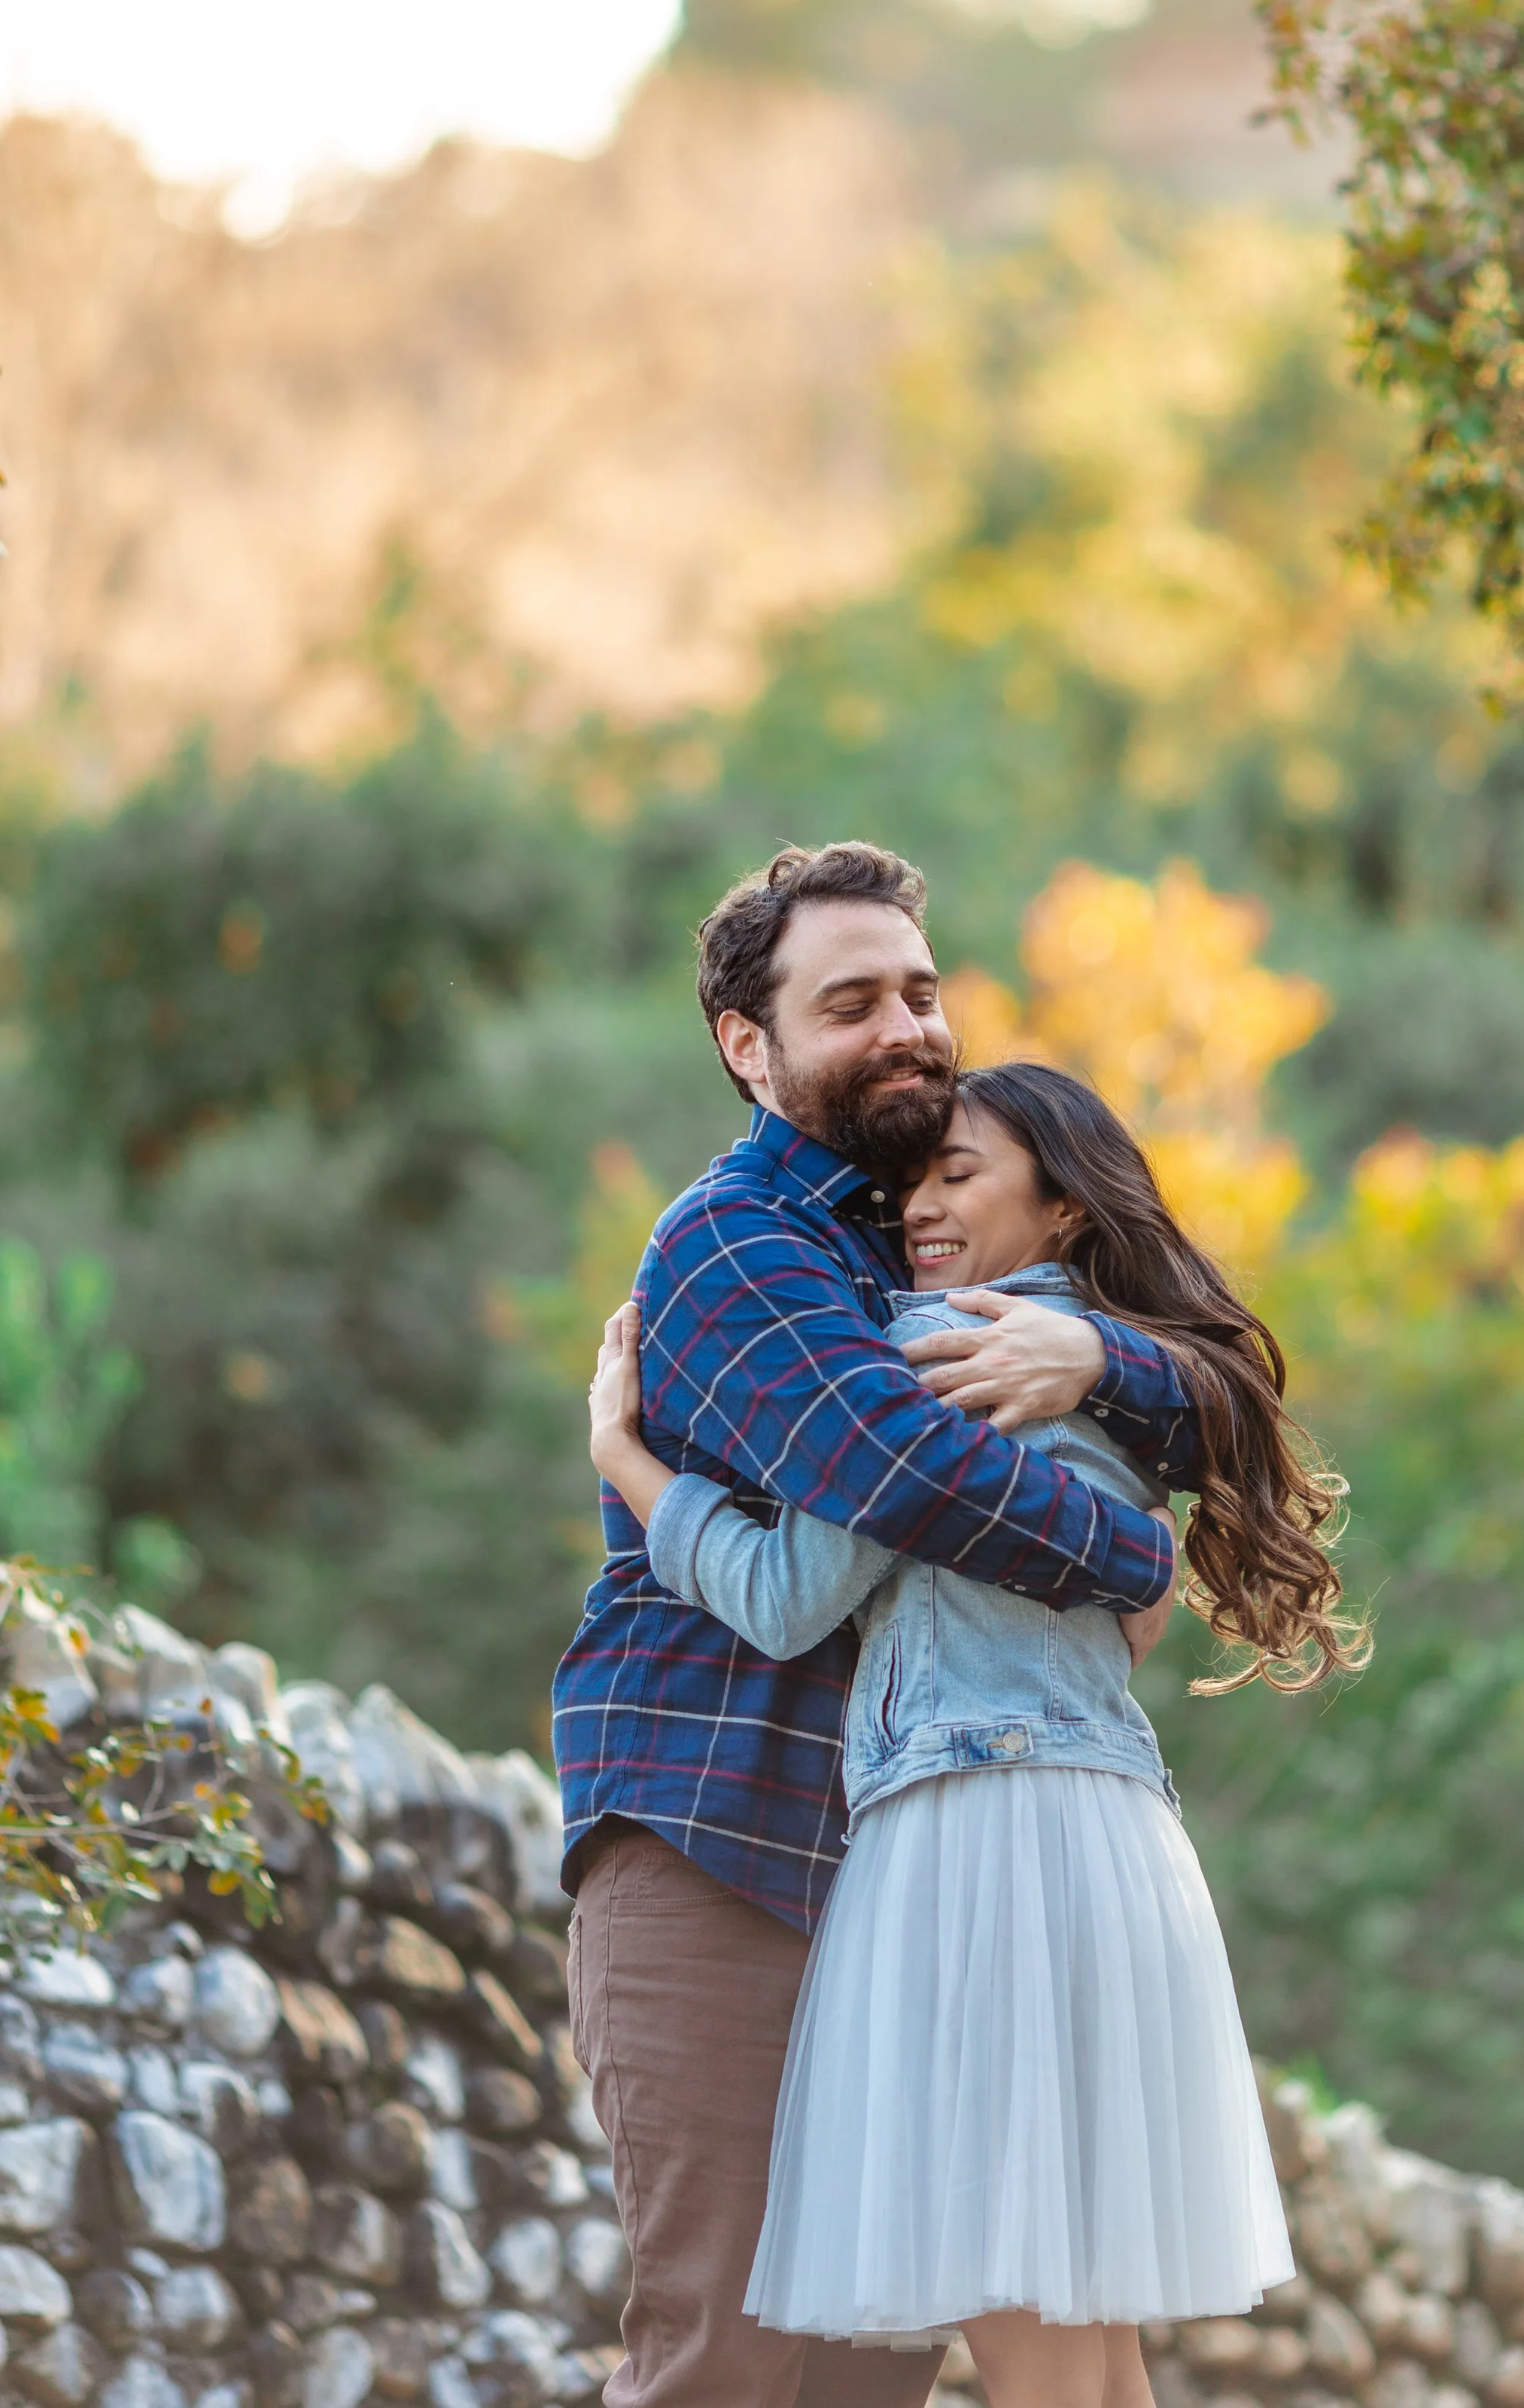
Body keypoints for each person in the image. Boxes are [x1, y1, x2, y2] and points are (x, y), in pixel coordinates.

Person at [589, 1058, 1364, 2408]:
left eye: (961, 1178)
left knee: (1027, 2322)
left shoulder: (937, 1349)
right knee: (1093, 2357)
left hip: (982, 1845)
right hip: (1108, 1843)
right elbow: (1179, 1473)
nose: (921, 1212)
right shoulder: (1109, 1374)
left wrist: (628, 1461)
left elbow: (783, 1598)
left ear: (1062, 1207)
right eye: (912, 1185)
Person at [552, 843, 1200, 2408]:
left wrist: (1102, 1365)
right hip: (722, 1846)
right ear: (747, 1047)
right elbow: (893, 1474)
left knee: (862, 2380)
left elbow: (1223, 1378)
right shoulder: (739, 1245)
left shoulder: (930, 1233)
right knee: (735, 2360)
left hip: (911, 1872)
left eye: (921, 989)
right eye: (851, 1003)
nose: (907, 1025)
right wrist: (1126, 1553)